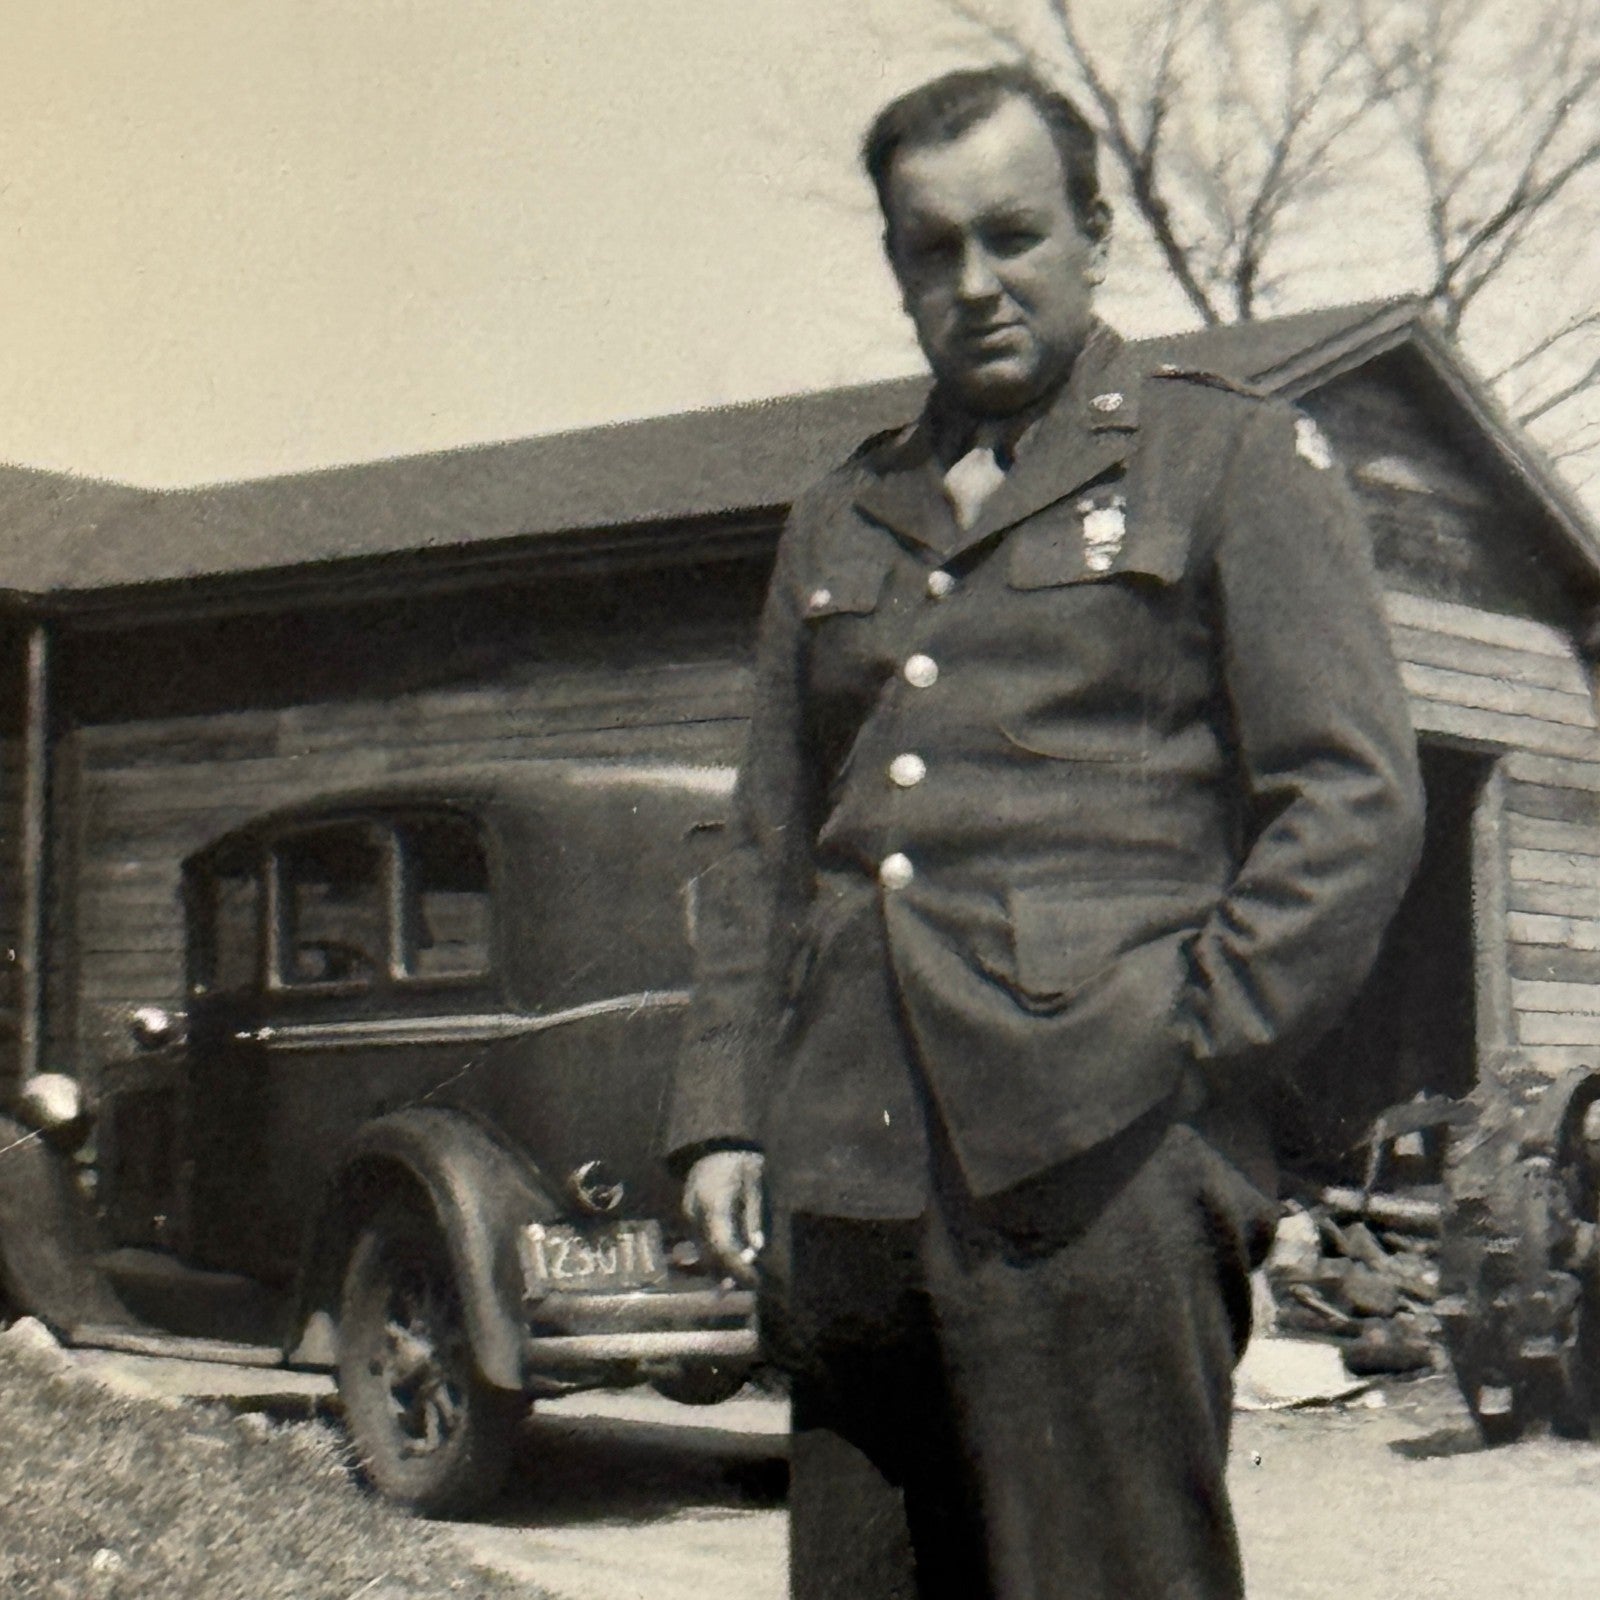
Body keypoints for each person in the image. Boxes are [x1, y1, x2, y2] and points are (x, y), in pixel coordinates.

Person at [665, 64, 1424, 1600]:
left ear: (1094, 231)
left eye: (1013, 235)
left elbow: (1351, 799)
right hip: (854, 1171)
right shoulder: (841, 512)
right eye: (928, 252)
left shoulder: (1228, 462)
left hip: (1103, 1167)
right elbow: (767, 837)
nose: (975, 283)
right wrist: (728, 1113)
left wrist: (1190, 1043)